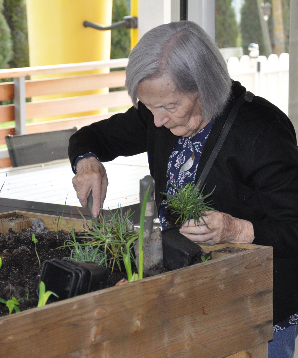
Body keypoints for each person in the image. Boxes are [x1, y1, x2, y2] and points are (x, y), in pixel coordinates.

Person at [68, 21, 298, 357]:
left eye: (170, 106)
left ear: (205, 87)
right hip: (191, 297)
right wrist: (87, 162)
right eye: (149, 107)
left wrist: (237, 229)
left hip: (257, 308)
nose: (157, 121)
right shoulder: (158, 114)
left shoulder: (262, 132)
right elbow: (91, 137)